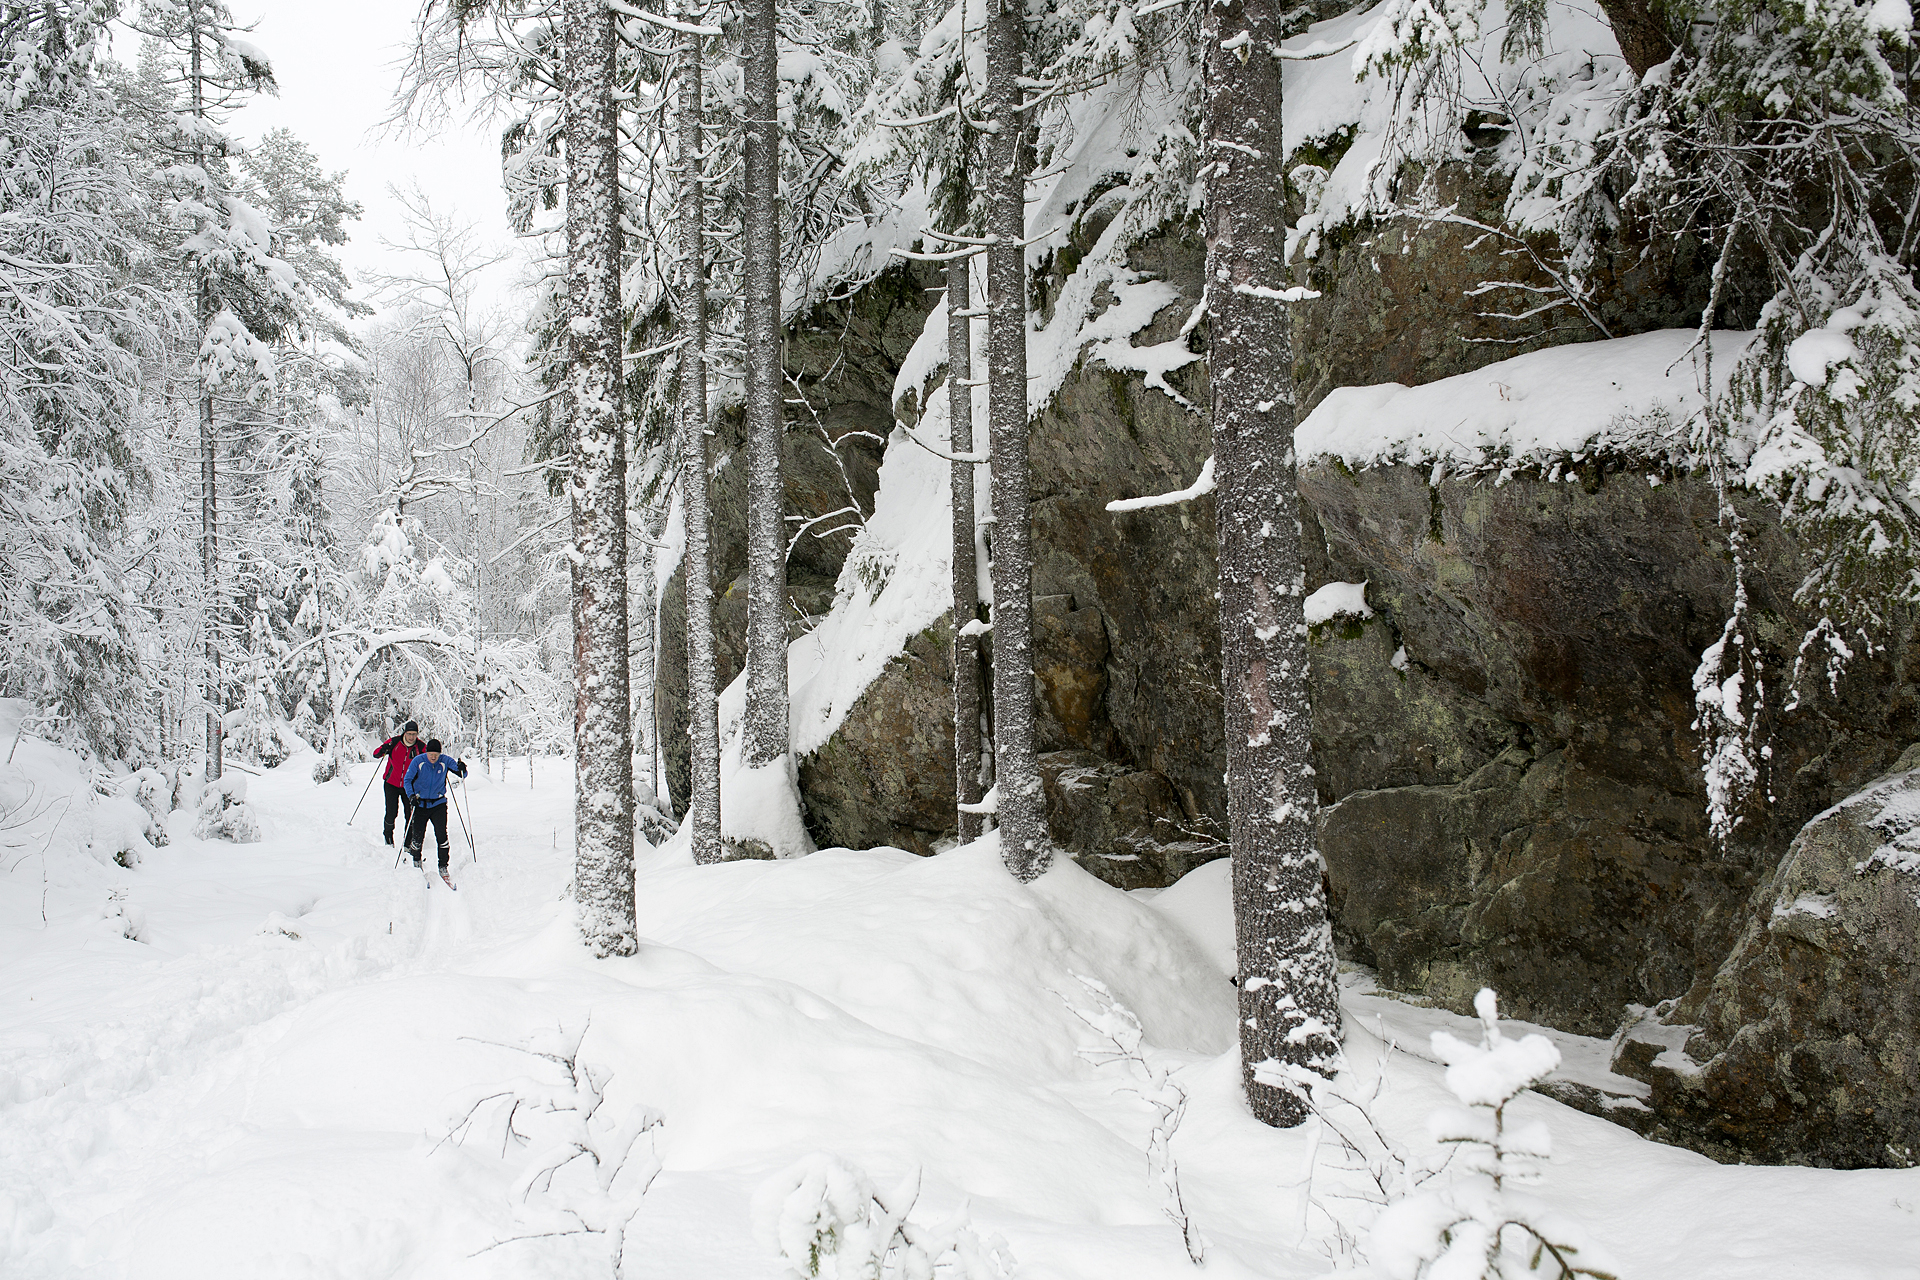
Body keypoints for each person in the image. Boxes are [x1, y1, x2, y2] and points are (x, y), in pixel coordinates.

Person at [402, 738, 469, 872]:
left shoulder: (445, 760)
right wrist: (411, 796)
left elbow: (462, 774)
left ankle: (443, 865)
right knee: (417, 836)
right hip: (420, 804)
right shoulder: (418, 761)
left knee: (441, 835)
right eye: (431, 754)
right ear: (426, 752)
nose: (433, 757)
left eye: (436, 755)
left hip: (438, 804)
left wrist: (463, 768)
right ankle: (416, 861)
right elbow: (407, 780)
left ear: (440, 754)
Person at [371, 721, 421, 846]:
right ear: (404, 732)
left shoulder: (420, 747)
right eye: (409, 734)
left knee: (410, 814)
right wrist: (383, 749)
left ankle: (408, 842)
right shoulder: (394, 742)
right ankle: (388, 837)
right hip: (391, 783)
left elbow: (433, 757)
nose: (411, 737)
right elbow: (376, 754)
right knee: (391, 812)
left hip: (409, 786)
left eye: (414, 734)